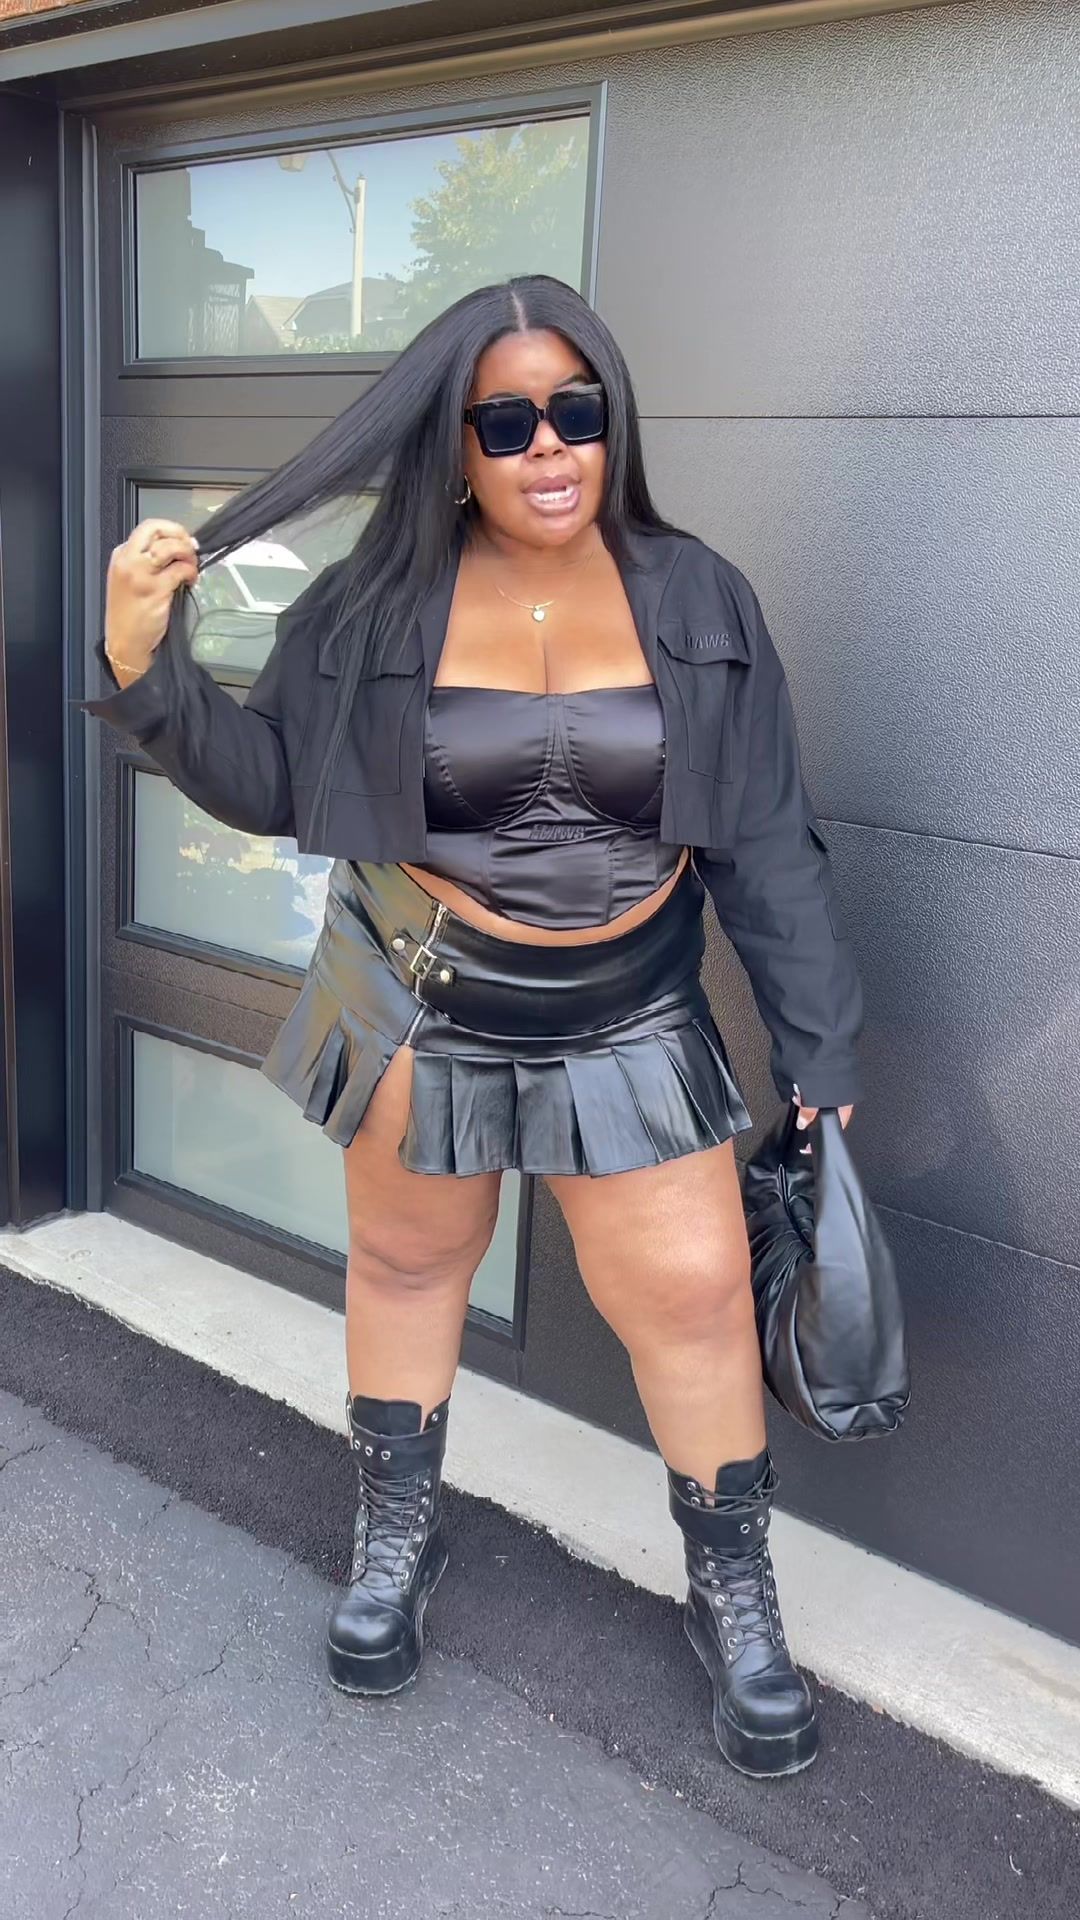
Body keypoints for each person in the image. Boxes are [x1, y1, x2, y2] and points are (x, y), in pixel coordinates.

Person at [86, 274, 862, 1780]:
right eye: (506, 422)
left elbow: (769, 838)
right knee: (406, 1262)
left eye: (576, 409)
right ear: (455, 442)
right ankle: (396, 1539)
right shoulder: (374, 602)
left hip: (628, 1005)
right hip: (420, 992)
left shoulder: (697, 597)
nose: (547, 445)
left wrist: (821, 1053)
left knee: (698, 1299)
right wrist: (140, 660)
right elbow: (264, 781)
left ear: (611, 418)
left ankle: (733, 1594)